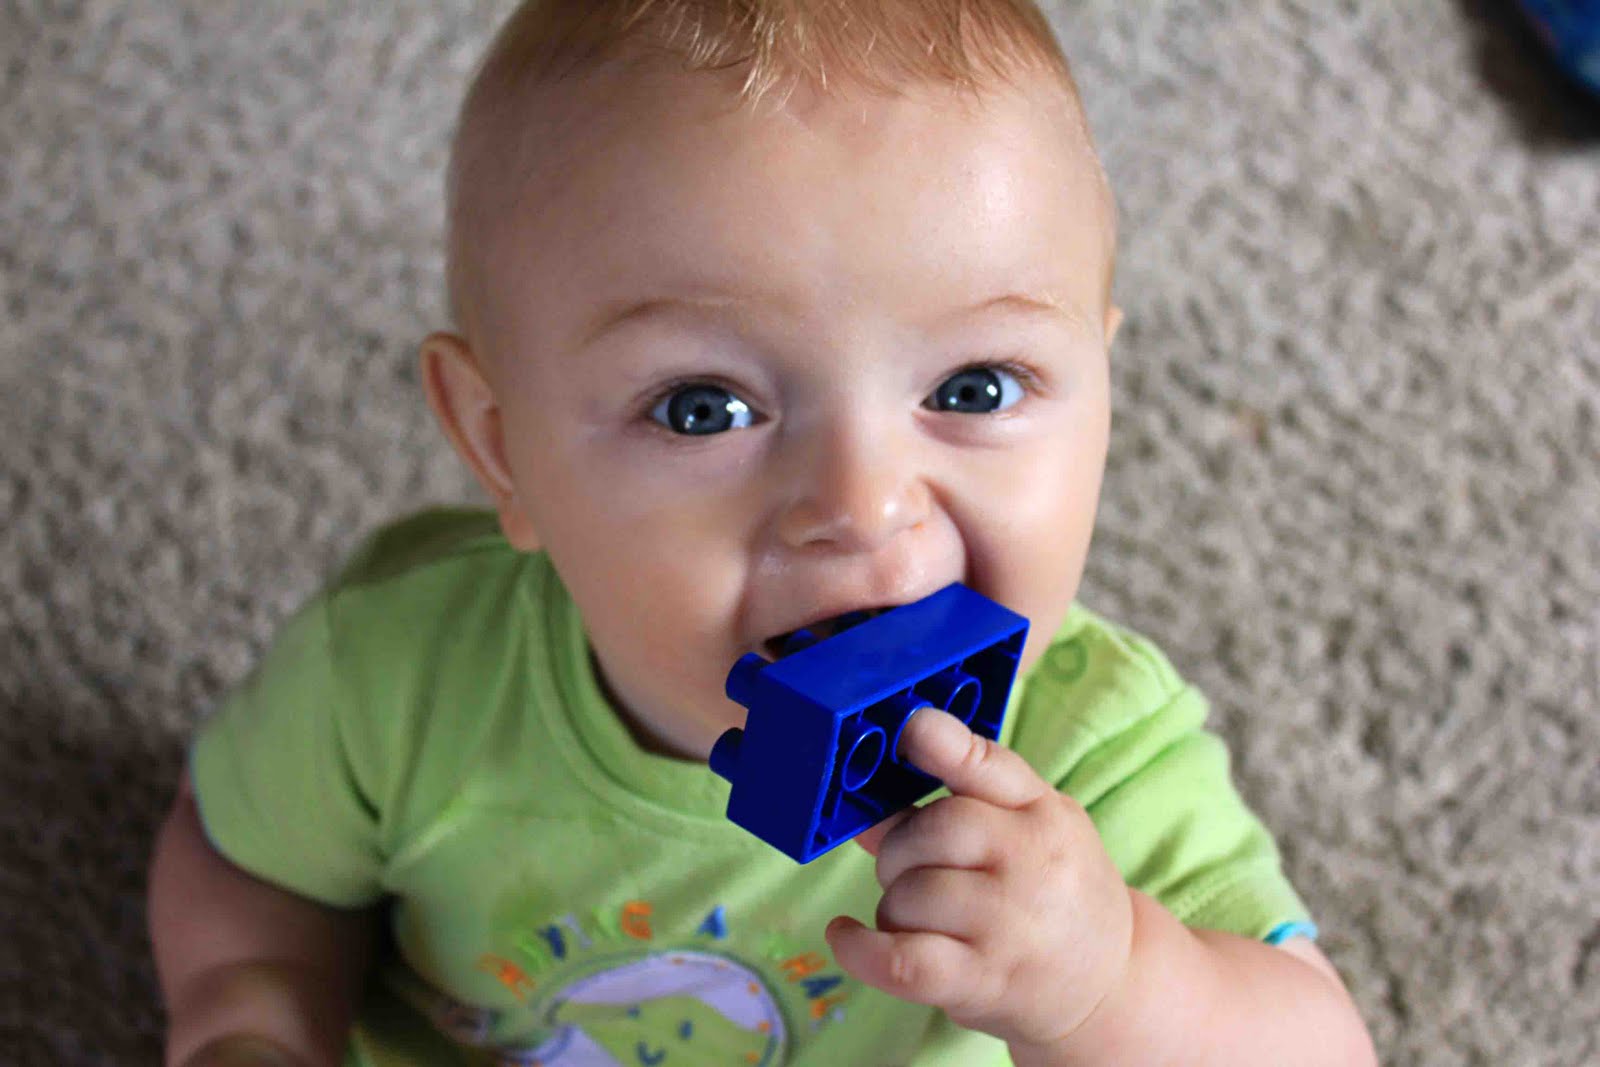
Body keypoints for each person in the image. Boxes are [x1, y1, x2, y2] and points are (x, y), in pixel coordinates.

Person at [148, 2, 1378, 1064]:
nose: (861, 501)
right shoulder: (397, 668)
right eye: (704, 408)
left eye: (975, 388)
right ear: (500, 445)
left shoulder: (1085, 753)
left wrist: (1110, 978)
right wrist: (245, 1015)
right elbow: (253, 868)